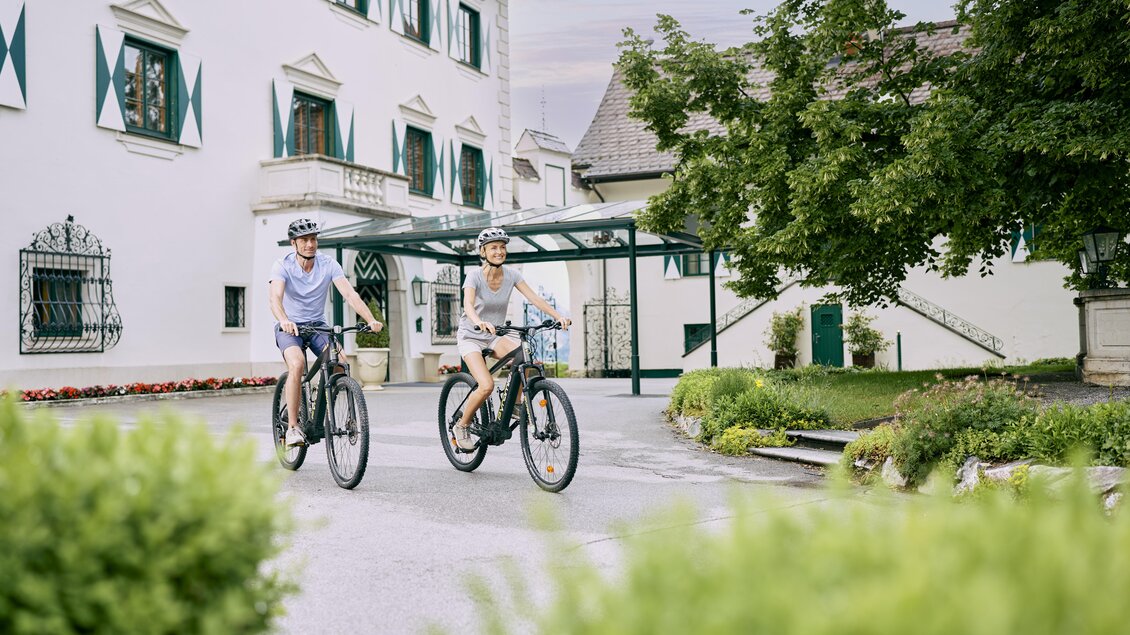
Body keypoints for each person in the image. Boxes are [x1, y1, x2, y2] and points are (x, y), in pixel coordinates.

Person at [452, 227, 571, 449]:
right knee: (486, 386)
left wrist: (558, 316)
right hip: (471, 336)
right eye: (493, 248)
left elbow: (535, 298)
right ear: (483, 251)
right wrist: (478, 321)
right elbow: (468, 304)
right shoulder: (474, 276)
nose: (499, 251)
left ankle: (515, 405)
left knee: (524, 358)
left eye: (502, 247)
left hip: (494, 335)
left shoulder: (512, 275)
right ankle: (462, 425)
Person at [269, 218, 384, 447]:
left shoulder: (329, 264)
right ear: (293, 243)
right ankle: (292, 428)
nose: (310, 244)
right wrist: (284, 320)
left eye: (313, 239)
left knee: (341, 362)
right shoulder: (282, 265)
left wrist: (370, 319)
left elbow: (350, 295)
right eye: (304, 240)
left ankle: (321, 408)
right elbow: (275, 298)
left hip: (317, 325)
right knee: (297, 364)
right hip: (290, 327)